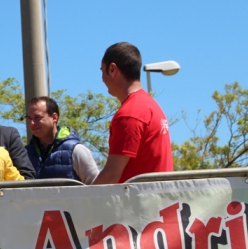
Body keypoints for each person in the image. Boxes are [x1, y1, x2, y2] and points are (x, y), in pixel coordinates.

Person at [94, 42, 173, 184]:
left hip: (138, 204)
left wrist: (80, 204)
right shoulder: (151, 106)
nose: (102, 79)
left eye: (102, 71)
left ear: (112, 69)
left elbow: (111, 176)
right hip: (158, 201)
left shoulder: (130, 114)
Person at [25, 96, 99, 184]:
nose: (32, 123)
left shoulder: (76, 150)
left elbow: (96, 186)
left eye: (37, 117)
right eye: (29, 118)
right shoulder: (25, 153)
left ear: (54, 117)